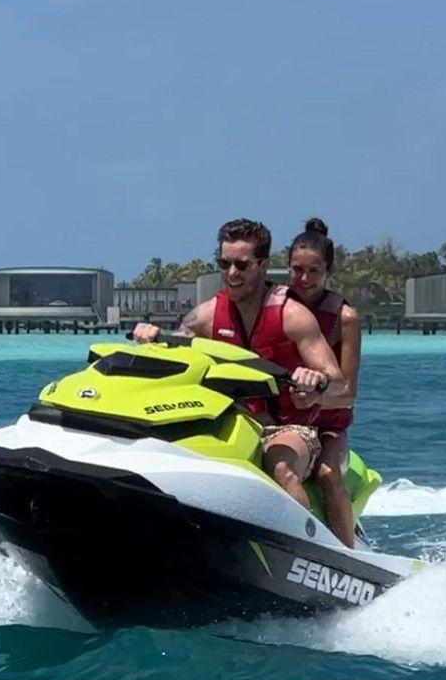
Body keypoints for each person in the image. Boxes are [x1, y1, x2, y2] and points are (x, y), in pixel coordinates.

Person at [132, 218, 347, 517]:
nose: (232, 273)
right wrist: (147, 340)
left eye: (242, 265)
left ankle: (307, 550)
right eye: (225, 263)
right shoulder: (206, 316)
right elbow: (172, 353)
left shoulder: (293, 315)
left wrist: (316, 380)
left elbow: (337, 381)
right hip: (229, 421)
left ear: (262, 264)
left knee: (282, 468)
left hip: (287, 427)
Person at [287, 218, 360, 547]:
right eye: (296, 270)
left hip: (328, 425)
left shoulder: (344, 318)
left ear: (328, 271)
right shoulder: (277, 308)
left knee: (328, 476)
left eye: (313, 271)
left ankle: (349, 562)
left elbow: (347, 394)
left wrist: (312, 399)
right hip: (284, 420)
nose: (303, 279)